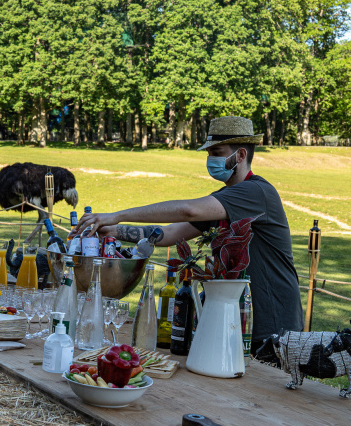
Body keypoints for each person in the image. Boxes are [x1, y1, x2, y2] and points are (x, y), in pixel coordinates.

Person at [76, 116, 303, 360]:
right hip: (234, 319)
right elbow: (171, 234)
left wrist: (118, 215)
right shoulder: (226, 199)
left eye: (217, 152)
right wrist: (110, 232)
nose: (210, 160)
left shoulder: (256, 192)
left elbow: (189, 210)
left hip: (272, 326)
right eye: (208, 154)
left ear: (240, 155)